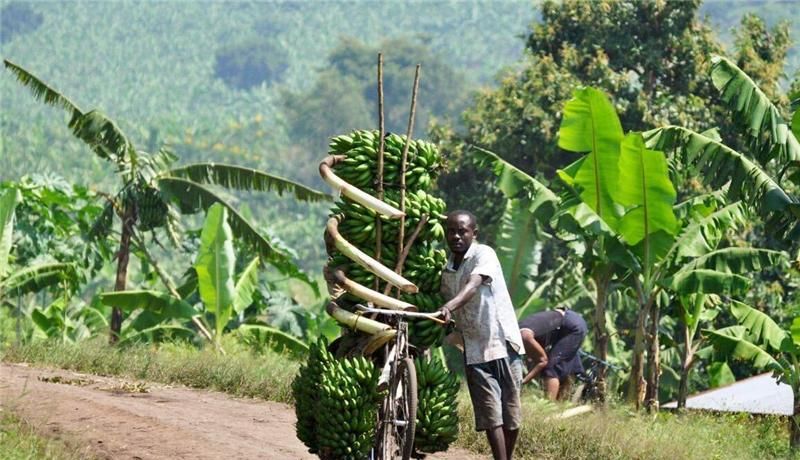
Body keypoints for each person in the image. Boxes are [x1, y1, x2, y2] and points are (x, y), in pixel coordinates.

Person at [437, 210, 524, 460]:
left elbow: (473, 285)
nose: (456, 236)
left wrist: (449, 307)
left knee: (512, 416)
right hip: (474, 349)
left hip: (503, 343)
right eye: (451, 231)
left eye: (462, 231)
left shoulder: (483, 254)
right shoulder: (447, 270)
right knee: (491, 415)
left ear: (474, 233)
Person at [518, 308, 588, 401]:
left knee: (551, 368)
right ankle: (562, 403)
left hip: (570, 325)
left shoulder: (524, 336)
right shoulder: (518, 329)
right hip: (568, 322)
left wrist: (522, 382)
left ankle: (548, 406)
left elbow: (543, 361)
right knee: (566, 366)